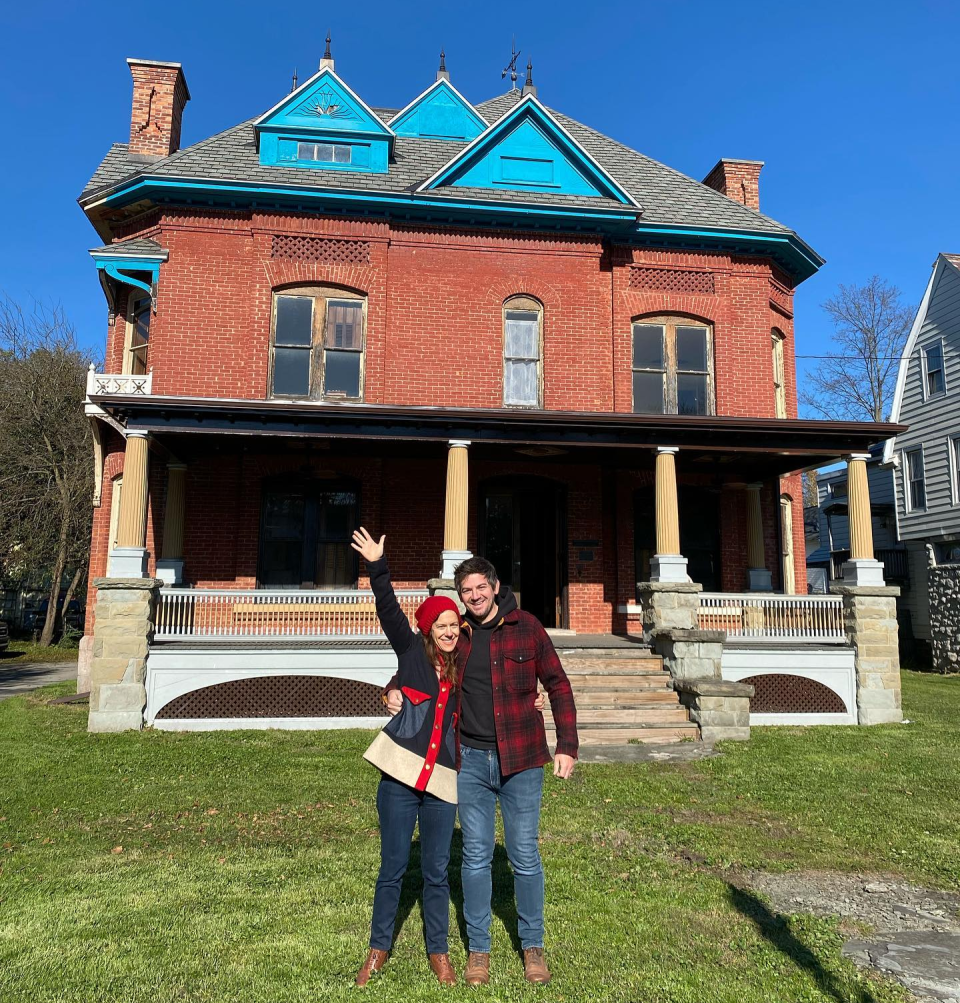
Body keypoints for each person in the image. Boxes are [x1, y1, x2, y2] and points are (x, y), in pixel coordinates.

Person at [386, 555, 578, 985]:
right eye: (466, 591)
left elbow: (558, 683)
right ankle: (479, 951)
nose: (473, 596)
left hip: (523, 761)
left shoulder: (527, 626)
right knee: (475, 857)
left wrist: (567, 744)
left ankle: (532, 946)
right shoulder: (460, 635)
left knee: (524, 855)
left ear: (494, 585)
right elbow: (416, 667)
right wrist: (393, 689)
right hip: (470, 760)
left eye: (479, 588)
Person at [350, 527, 461, 987]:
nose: (451, 632)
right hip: (399, 776)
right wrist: (378, 566)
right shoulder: (411, 651)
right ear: (428, 630)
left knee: (436, 872)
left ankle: (439, 952)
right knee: (393, 866)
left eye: (455, 625)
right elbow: (388, 609)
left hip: (443, 781)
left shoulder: (468, 660)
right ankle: (378, 949)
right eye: (443, 626)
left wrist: (531, 699)